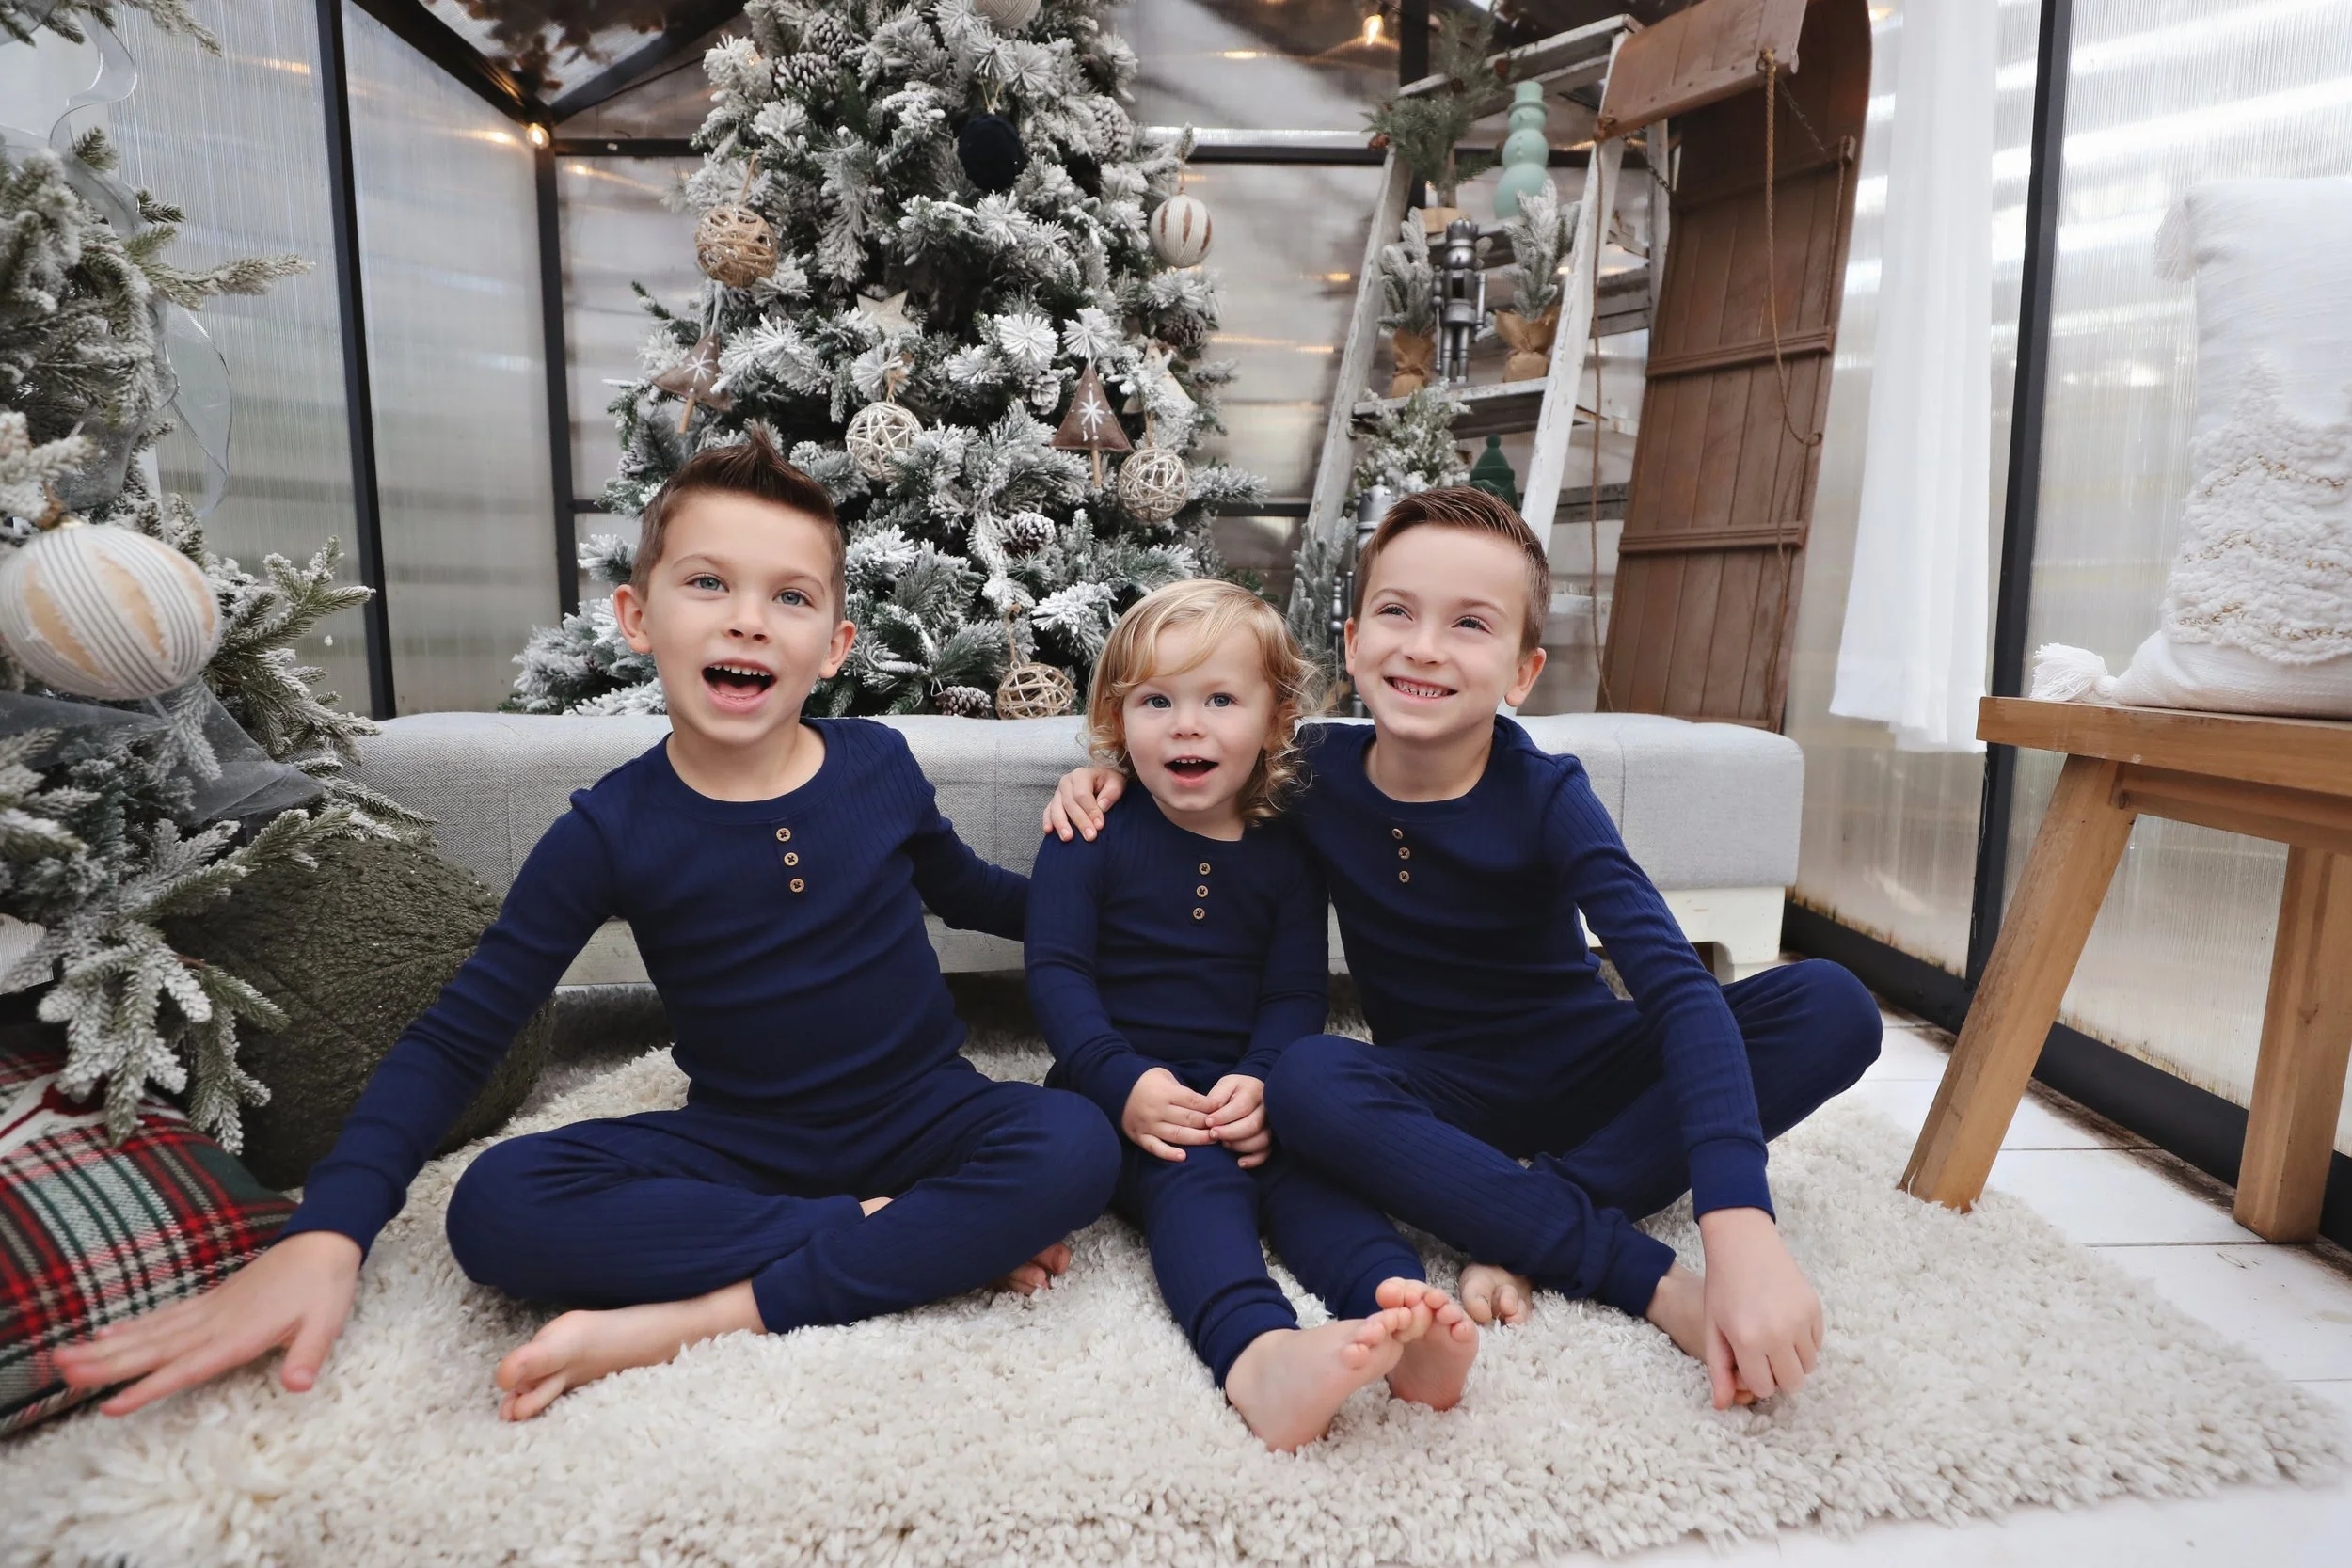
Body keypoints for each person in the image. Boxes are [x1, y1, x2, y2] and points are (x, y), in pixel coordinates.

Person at [61, 433, 1119, 1422]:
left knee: (1072, 1139)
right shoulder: (607, 828)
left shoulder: (877, 764)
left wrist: (1123, 904)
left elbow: (976, 894)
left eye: (788, 596)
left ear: (834, 643)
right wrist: (329, 1225)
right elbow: (458, 1031)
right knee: (494, 1207)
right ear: (636, 615)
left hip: (926, 1113)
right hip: (740, 1144)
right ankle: (903, 1235)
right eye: (707, 582)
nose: (747, 618)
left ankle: (716, 1312)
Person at [1044, 487, 1881, 1411]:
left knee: (1832, 1002)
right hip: (1437, 1091)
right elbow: (1191, 764)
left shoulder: (1547, 793)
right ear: (1355, 636)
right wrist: (1102, 778)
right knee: (1314, 1077)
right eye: (1397, 612)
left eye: (1469, 623)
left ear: (1522, 672)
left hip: (1583, 1057)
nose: (1424, 645)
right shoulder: (1307, 771)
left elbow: (1678, 990)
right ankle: (1640, 1276)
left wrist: (1739, 1222)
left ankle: (1531, 1212)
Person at [1026, 579, 1477, 1450]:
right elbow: (1057, 974)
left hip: (1248, 1083)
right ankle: (1257, 1353)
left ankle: (1398, 1311)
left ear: (1274, 723)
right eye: (1157, 701)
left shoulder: (1285, 851)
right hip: (1123, 1092)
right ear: (1120, 724)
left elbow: (1294, 992)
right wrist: (1124, 1083)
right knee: (1196, 1186)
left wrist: (1265, 1079)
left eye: (1220, 700)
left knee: (1313, 1176)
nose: (1186, 725)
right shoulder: (1088, 833)